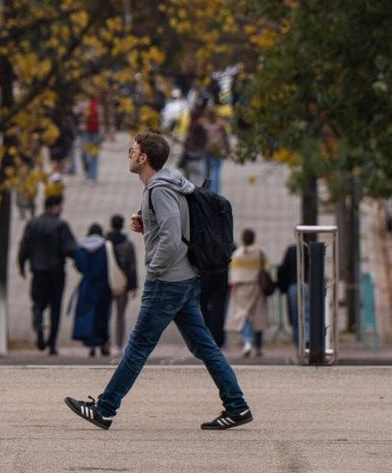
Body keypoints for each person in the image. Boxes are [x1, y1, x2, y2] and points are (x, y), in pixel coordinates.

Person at [64, 131, 252, 431]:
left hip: (167, 282)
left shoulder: (159, 190)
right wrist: (147, 227)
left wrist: (153, 267)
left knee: (138, 347)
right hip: (185, 278)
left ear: (144, 158)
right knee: (204, 346)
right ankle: (237, 406)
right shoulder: (169, 184)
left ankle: (104, 409)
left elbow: (173, 238)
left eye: (132, 150)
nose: (129, 154)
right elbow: (171, 228)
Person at [18, 194, 77, 355]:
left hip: (38, 271)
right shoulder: (61, 225)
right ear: (54, 206)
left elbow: (24, 246)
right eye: (60, 206)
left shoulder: (32, 224)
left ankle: (38, 327)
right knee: (55, 307)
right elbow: (70, 248)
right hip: (56, 273)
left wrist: (21, 265)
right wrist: (80, 262)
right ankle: (51, 344)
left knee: (37, 303)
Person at [226, 229, 270, 357]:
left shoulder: (237, 254)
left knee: (244, 316)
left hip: (240, 288)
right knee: (258, 316)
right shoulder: (260, 252)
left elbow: (232, 275)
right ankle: (259, 346)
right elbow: (266, 269)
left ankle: (247, 342)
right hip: (257, 287)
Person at [71, 223, 112, 356]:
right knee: (103, 315)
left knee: (89, 314)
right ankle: (103, 342)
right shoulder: (105, 247)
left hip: (87, 286)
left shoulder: (81, 248)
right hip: (103, 286)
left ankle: (91, 343)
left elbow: (78, 265)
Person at [104, 214, 139, 349]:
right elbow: (132, 267)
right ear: (122, 225)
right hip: (123, 284)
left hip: (107, 283)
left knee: (105, 313)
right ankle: (119, 344)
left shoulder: (105, 243)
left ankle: (105, 342)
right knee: (120, 315)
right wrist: (133, 286)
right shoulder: (128, 244)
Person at [200, 106, 230, 195]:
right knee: (216, 171)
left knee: (207, 172)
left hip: (206, 150)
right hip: (218, 150)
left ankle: (206, 191)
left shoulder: (204, 126)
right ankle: (215, 192)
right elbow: (225, 139)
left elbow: (201, 140)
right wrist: (228, 150)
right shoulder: (221, 125)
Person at [80, 97, 102, 181]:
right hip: (85, 131)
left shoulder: (100, 101)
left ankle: (93, 175)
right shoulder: (81, 100)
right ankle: (87, 171)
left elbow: (105, 115)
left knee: (94, 153)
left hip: (96, 131)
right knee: (84, 153)